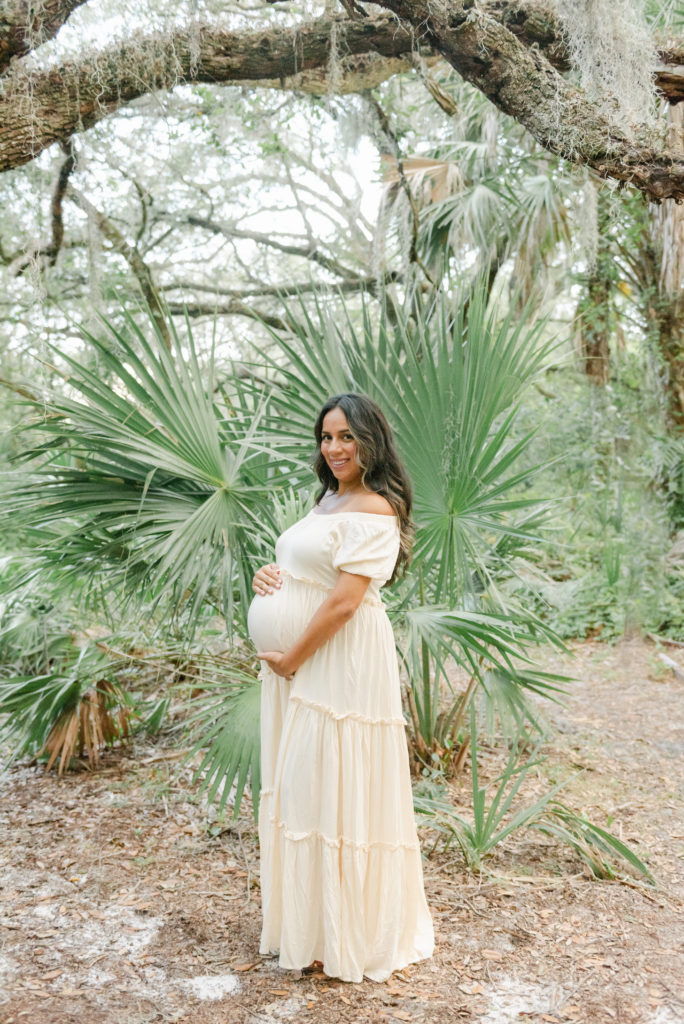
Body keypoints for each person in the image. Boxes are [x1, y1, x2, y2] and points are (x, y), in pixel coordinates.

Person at [247, 392, 434, 984]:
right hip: (301, 660)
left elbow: (345, 602)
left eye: (346, 437)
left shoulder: (376, 508)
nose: (334, 449)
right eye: (327, 437)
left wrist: (292, 657)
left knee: (335, 781)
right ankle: (314, 926)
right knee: (305, 788)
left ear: (370, 441)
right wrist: (267, 575)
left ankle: (347, 931)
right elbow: (309, 571)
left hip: (338, 659)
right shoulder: (328, 499)